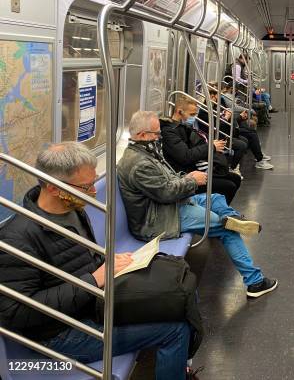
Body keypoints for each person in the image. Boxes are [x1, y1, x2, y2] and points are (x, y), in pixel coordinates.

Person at [0, 142, 195, 379]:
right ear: (52, 187)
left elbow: (81, 260)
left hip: (92, 303)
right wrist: (93, 280)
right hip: (62, 331)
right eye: (86, 186)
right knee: (175, 329)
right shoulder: (16, 239)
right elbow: (18, 312)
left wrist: (107, 262)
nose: (93, 192)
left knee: (180, 294)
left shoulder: (73, 209)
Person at [118, 111, 278, 298]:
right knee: (227, 229)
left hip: (165, 207)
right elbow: (166, 193)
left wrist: (185, 178)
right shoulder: (139, 164)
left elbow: (164, 183)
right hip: (158, 219)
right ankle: (255, 282)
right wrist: (193, 181)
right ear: (142, 135)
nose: (159, 137)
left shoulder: (144, 152)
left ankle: (233, 218)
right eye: (156, 134)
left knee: (215, 198)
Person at [160, 96, 242, 204]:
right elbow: (185, 156)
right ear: (179, 112)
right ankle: (218, 213)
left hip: (194, 166)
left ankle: (220, 209)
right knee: (228, 186)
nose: (194, 118)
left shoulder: (184, 127)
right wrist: (211, 147)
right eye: (192, 115)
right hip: (184, 173)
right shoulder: (169, 132)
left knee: (235, 178)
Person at [219, 83, 274, 170]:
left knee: (251, 131)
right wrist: (244, 113)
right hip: (230, 128)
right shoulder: (225, 97)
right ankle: (259, 159)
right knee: (250, 134)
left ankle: (259, 155)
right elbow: (232, 109)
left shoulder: (223, 100)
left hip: (233, 124)